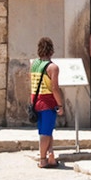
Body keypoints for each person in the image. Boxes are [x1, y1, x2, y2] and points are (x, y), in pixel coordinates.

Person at [30, 37, 64, 168]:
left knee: (45, 130)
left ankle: (51, 157)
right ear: (52, 50)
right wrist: (60, 105)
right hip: (47, 102)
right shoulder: (52, 67)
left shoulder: (34, 64)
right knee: (46, 132)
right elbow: (55, 88)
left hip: (35, 100)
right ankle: (43, 159)